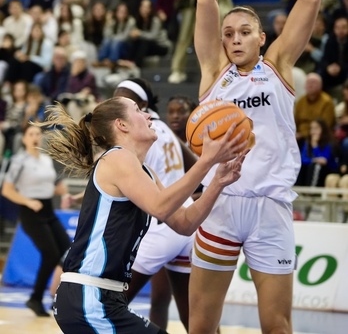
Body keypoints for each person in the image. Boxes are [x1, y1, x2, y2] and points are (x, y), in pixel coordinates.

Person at [188, 0, 321, 333]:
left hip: (270, 206)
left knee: (276, 325)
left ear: (262, 38)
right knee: (201, 325)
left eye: (245, 32)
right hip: (220, 204)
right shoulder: (214, 72)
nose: (235, 39)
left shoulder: (279, 66)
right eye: (229, 34)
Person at [33, 95, 248, 333]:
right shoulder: (117, 157)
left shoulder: (144, 170)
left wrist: (218, 183)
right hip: (89, 297)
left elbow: (184, 223)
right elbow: (161, 207)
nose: (148, 115)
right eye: (138, 110)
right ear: (121, 125)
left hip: (101, 298)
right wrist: (206, 161)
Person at [113, 78, 198, 331]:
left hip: (160, 227)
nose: (116, 103)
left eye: (123, 99)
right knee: (191, 315)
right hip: (182, 227)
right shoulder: (162, 127)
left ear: (141, 105)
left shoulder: (139, 134)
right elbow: (193, 163)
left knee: (110, 304)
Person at [1, 123, 72, 316]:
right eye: (31, 133)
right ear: (24, 139)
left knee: (68, 253)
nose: (35, 137)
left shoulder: (45, 160)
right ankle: (35, 298)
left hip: (48, 210)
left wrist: (60, 191)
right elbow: (7, 190)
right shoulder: (19, 161)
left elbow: (49, 187)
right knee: (50, 254)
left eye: (38, 133)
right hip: (30, 212)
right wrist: (27, 201)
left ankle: (58, 298)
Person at [294, 72, 336, 147]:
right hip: (299, 136)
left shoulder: (327, 102)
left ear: (320, 86)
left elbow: (325, 126)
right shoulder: (300, 101)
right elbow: (295, 122)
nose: (310, 85)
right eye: (308, 82)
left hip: (319, 136)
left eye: (313, 82)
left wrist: (304, 134)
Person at [295, 118, 338, 187]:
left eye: (316, 128)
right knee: (301, 166)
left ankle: (312, 192)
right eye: (311, 129)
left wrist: (315, 147)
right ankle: (298, 189)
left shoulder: (329, 143)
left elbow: (324, 160)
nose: (313, 132)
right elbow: (303, 159)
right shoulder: (307, 143)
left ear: (323, 130)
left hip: (327, 170)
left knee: (316, 166)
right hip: (311, 169)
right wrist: (313, 160)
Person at [319, 15, 348, 102]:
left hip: (345, 71)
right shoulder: (330, 41)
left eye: (344, 27)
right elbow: (324, 59)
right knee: (320, 74)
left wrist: (341, 67)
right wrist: (328, 67)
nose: (340, 30)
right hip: (332, 72)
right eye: (337, 28)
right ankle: (323, 103)